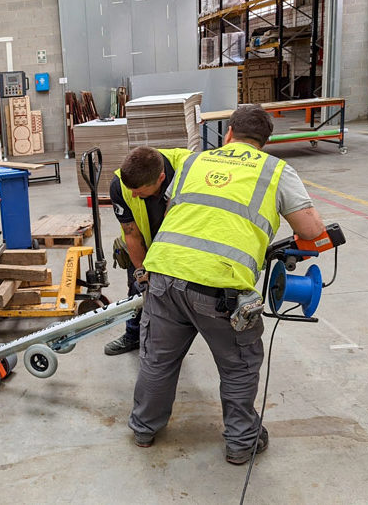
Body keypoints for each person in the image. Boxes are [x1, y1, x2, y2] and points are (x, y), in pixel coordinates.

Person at [128, 104, 325, 465]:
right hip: (221, 289)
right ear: (264, 142)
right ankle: (241, 444)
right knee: (238, 366)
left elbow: (189, 211)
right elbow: (313, 231)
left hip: (164, 275)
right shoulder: (276, 171)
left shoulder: (193, 162)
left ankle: (143, 429)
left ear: (229, 133)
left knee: (157, 360)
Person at [104, 146, 192, 356]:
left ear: (161, 178)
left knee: (180, 294)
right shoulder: (120, 185)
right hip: (146, 241)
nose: (133, 195)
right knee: (137, 288)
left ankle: (173, 339)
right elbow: (131, 234)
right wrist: (143, 274)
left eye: (140, 192)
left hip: (184, 245)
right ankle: (133, 335)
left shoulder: (189, 170)